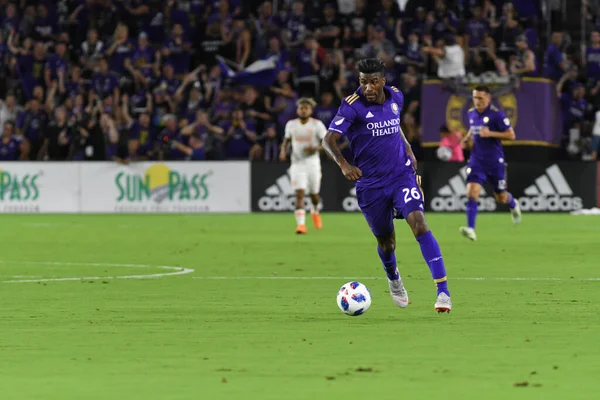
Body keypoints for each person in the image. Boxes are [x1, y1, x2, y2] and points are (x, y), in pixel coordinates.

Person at [321, 58, 451, 313]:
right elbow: (328, 140)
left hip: (401, 175)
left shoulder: (396, 97)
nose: (368, 87)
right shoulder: (352, 107)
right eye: (363, 82)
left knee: (419, 222)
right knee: (386, 242)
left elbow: (396, 125)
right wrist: (343, 165)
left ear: (383, 81)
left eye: (373, 82)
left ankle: (443, 291)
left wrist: (409, 148)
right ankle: (393, 277)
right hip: (370, 184)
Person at [459, 86, 521, 241]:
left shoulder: (497, 115)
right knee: (472, 193)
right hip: (476, 160)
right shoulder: (471, 113)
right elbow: (473, 129)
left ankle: (513, 203)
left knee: (501, 197)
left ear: (488, 98)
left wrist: (490, 133)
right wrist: (467, 140)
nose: (477, 101)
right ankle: (471, 229)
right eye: (474, 97)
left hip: (495, 162)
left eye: (480, 98)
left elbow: (511, 135)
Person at [279, 97, 327, 234]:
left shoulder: (317, 125)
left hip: (312, 164)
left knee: (314, 195)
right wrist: (283, 151)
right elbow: (286, 140)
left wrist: (315, 148)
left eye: (306, 108)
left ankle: (315, 211)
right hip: (297, 164)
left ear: (310, 110)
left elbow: (326, 143)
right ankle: (301, 225)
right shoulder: (291, 124)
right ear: (298, 110)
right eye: (301, 108)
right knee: (299, 194)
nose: (303, 110)